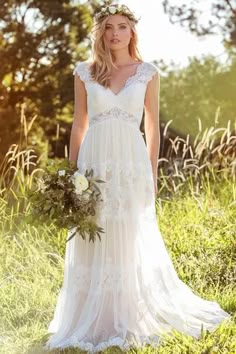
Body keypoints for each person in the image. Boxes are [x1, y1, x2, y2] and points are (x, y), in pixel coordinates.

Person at [44, 3, 230, 352]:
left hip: (130, 162)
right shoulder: (85, 71)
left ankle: (127, 313)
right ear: (100, 32)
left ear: (132, 32)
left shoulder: (147, 72)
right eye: (109, 27)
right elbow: (79, 123)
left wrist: (152, 171)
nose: (115, 33)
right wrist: (71, 175)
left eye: (122, 27)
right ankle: (92, 316)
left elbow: (152, 126)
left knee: (127, 232)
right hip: (94, 163)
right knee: (93, 232)